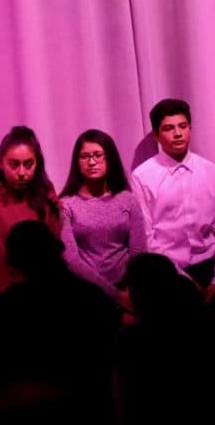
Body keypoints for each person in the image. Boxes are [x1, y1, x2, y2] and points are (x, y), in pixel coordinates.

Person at [130, 99, 215, 302]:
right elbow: (147, 237)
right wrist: (182, 279)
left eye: (183, 126)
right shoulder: (142, 176)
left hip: (211, 270)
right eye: (169, 128)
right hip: (168, 274)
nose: (177, 133)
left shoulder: (211, 172)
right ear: (156, 136)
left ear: (190, 128)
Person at [0, 126, 60, 307]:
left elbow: (56, 254)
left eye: (28, 164)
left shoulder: (45, 193)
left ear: (37, 163)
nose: (21, 173)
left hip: (39, 299)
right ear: (1, 162)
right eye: (14, 164)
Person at [58, 128, 146, 303]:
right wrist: (115, 295)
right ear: (77, 162)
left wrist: (131, 289)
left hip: (128, 289)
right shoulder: (66, 205)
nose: (92, 162)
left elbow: (139, 251)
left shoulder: (128, 200)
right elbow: (72, 260)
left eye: (98, 155)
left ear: (110, 158)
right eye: (85, 157)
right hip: (84, 293)